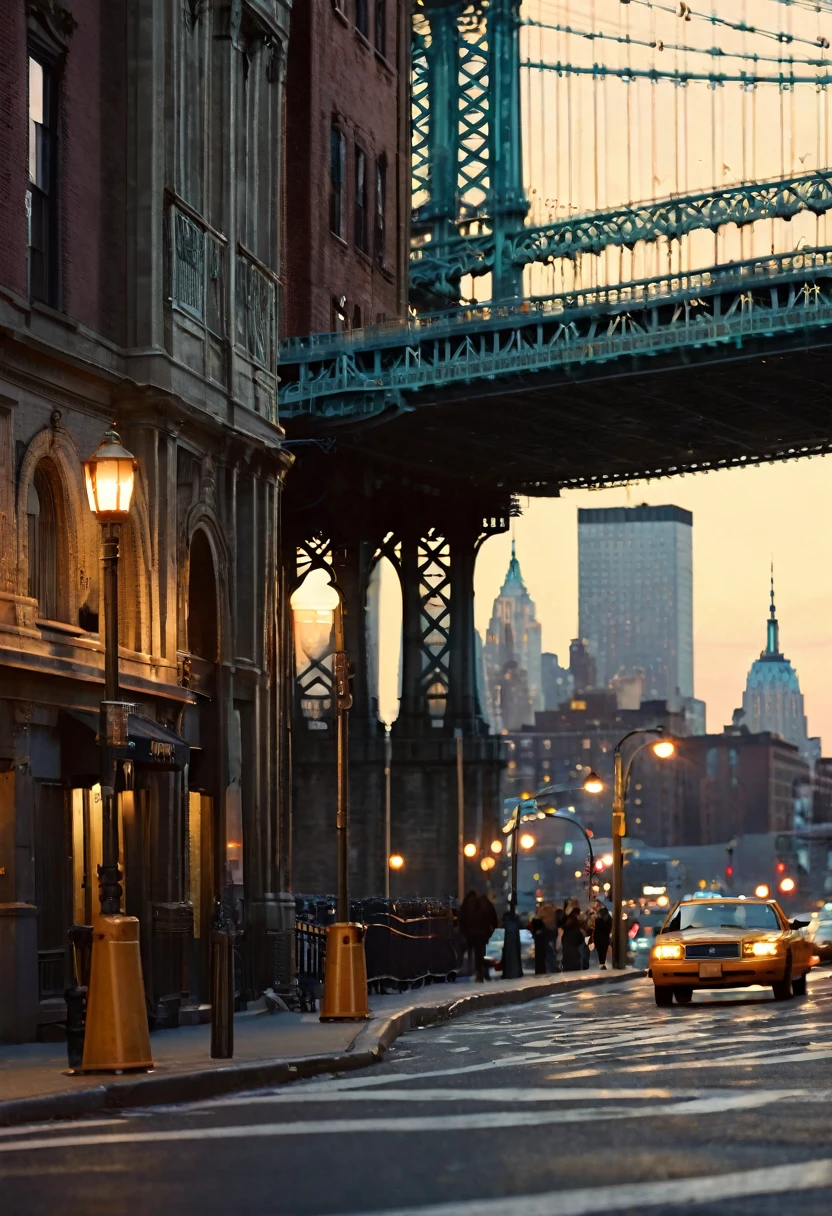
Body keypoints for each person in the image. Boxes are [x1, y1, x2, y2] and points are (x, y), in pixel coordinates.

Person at [459, 889, 498, 982]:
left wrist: (464, 931)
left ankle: (470, 971)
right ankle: (482, 972)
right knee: (481, 953)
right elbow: (493, 916)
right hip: (483, 932)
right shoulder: (485, 901)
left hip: (470, 931)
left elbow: (462, 917)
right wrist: (491, 930)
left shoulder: (466, 902)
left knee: (470, 951)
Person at [561, 907, 586, 972]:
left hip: (566, 954)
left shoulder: (566, 928)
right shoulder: (577, 928)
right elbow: (581, 940)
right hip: (574, 955)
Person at [592, 901, 612, 970]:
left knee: (599, 951)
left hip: (598, 937)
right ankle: (602, 963)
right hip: (605, 937)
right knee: (604, 950)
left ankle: (600, 963)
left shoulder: (598, 919)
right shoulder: (609, 919)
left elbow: (595, 927)